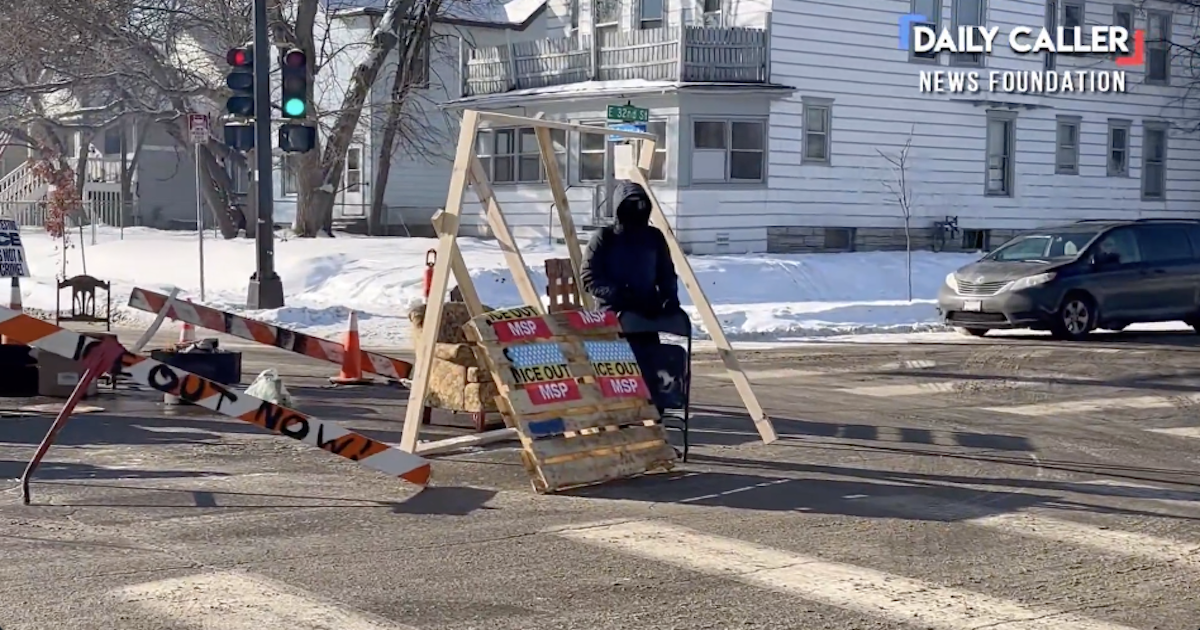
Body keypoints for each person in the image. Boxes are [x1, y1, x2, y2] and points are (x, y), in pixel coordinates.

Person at [580, 181, 681, 408]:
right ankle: (619, 414)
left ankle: (652, 410)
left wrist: (669, 299)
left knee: (649, 367)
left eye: (640, 204)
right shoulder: (605, 238)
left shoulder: (654, 237)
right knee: (617, 371)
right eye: (630, 205)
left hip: (646, 315)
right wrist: (617, 294)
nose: (635, 210)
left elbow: (666, 273)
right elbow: (589, 276)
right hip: (613, 315)